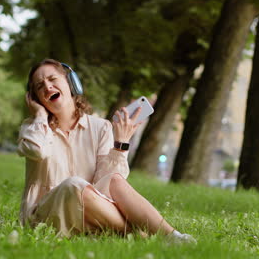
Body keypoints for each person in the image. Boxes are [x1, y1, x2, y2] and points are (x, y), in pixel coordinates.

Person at [17, 58, 195, 242]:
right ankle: (142, 235)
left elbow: (108, 183)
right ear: (36, 99)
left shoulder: (100, 127)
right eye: (39, 86)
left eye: (52, 79)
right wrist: (39, 115)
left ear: (71, 83)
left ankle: (173, 236)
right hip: (46, 217)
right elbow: (37, 150)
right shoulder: (33, 128)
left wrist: (122, 142)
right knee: (73, 185)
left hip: (90, 211)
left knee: (113, 180)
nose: (47, 87)